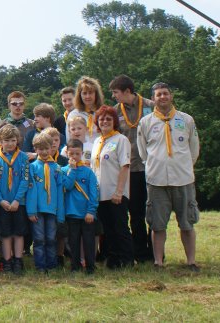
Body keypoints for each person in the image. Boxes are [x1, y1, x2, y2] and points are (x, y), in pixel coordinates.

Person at [137, 82, 201, 271]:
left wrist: (184, 167)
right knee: (157, 224)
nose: (162, 97)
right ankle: (158, 261)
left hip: (183, 179)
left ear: (171, 96)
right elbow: (143, 152)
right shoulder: (146, 122)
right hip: (157, 180)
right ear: (153, 99)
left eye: (165, 93)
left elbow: (194, 149)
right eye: (158, 95)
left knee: (187, 223)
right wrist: (155, 166)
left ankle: (191, 261)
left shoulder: (186, 120)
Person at [110, 75, 156, 263]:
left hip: (152, 167)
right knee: (135, 213)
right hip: (130, 168)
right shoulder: (114, 112)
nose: (113, 96)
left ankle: (156, 252)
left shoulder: (151, 106)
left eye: (115, 92)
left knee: (153, 212)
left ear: (127, 91)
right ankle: (140, 253)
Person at [91, 106, 133, 269]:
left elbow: (125, 166)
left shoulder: (120, 140)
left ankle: (127, 259)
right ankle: (113, 259)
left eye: (109, 119)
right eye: (102, 119)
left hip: (116, 193)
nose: (105, 121)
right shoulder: (97, 141)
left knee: (120, 227)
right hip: (101, 194)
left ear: (114, 121)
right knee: (107, 229)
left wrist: (119, 191)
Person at [0, 124, 30, 275]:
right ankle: (7, 259)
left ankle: (18, 260)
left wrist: (17, 200)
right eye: (6, 140)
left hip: (19, 203)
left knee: (19, 233)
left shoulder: (23, 157)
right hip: (2, 204)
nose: (10, 143)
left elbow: (25, 180)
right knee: (5, 233)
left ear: (17, 140)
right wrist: (0, 200)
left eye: (13, 140)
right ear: (0, 141)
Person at [27, 132, 66, 273]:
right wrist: (31, 211)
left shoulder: (57, 169)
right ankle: (40, 266)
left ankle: (52, 264)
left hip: (52, 210)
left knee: (51, 238)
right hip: (37, 209)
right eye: (40, 149)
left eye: (46, 148)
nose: (43, 152)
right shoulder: (32, 167)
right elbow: (30, 190)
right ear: (35, 149)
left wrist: (60, 214)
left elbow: (60, 192)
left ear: (52, 148)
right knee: (38, 239)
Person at [61, 138, 100, 274]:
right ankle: (75, 266)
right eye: (71, 154)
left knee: (89, 241)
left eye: (77, 154)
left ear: (82, 153)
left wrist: (91, 211)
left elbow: (94, 193)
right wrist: (72, 171)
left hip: (86, 214)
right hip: (72, 213)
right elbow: (67, 186)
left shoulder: (88, 172)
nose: (74, 157)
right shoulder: (64, 170)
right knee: (73, 241)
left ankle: (90, 266)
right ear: (67, 153)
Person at [68, 77, 105, 150]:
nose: (87, 96)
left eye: (90, 93)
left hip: (101, 151)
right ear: (80, 95)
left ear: (96, 94)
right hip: (81, 153)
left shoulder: (103, 112)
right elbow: (69, 138)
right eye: (84, 93)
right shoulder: (74, 115)